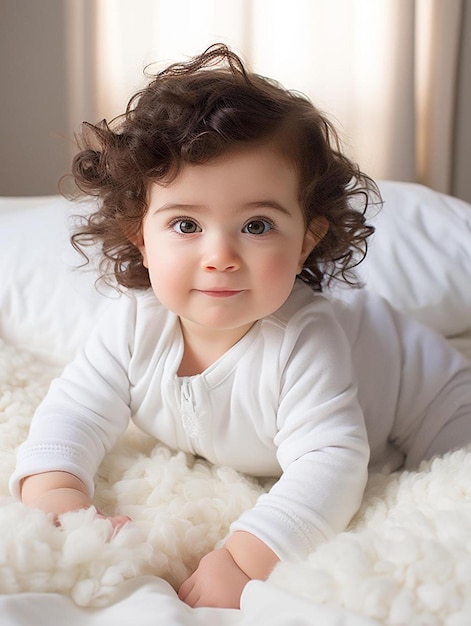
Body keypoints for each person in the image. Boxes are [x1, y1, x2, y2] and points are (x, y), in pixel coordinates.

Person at [10, 44, 471, 610]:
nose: (220, 255)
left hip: (421, 380)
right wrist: (57, 487)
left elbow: (331, 462)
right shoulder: (133, 325)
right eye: (185, 224)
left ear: (305, 238)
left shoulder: (304, 339)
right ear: (140, 238)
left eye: (256, 224)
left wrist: (245, 557)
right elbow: (73, 411)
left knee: (460, 474)